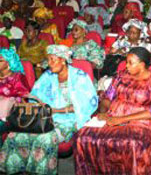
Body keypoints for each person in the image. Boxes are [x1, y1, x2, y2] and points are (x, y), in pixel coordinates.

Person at [0, 44, 98, 175]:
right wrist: (37, 104)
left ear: (63, 60)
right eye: (48, 60)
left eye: (53, 59)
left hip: (69, 120)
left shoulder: (79, 77)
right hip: (44, 117)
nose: (49, 64)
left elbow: (85, 105)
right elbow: (35, 96)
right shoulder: (48, 75)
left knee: (45, 138)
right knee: (16, 135)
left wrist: (56, 111)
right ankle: (15, 170)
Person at [74, 47, 151, 175]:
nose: (126, 66)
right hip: (112, 116)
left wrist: (121, 120)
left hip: (139, 121)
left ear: (142, 64)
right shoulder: (120, 76)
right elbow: (107, 97)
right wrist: (104, 111)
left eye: (130, 62)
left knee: (132, 144)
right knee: (82, 137)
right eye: (126, 62)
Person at [0, 49, 30, 138]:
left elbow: (23, 97)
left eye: (0, 60)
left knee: (8, 100)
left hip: (9, 115)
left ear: (9, 63)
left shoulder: (17, 77)